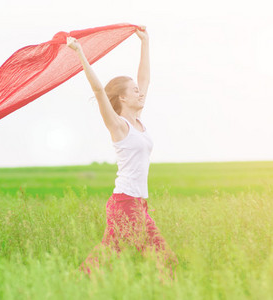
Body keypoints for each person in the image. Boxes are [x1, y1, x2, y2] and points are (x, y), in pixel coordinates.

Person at [67, 27, 177, 279]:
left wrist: (145, 42)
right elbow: (98, 91)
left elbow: (145, 78)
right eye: (134, 91)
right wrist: (80, 53)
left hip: (135, 204)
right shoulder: (118, 126)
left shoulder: (137, 119)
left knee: (102, 260)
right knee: (165, 260)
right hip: (126, 204)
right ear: (123, 98)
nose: (140, 93)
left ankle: (72, 285)